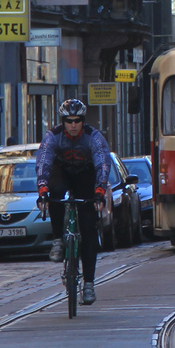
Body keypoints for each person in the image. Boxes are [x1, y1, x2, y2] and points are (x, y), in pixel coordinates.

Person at [35, 99, 111, 305]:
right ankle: (58, 239)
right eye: (69, 121)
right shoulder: (53, 136)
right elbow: (43, 161)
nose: (73, 125)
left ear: (83, 121)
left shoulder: (93, 137)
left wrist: (99, 190)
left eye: (78, 121)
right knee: (55, 192)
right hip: (62, 172)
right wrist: (42, 189)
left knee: (88, 227)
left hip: (85, 175)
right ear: (63, 122)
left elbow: (103, 163)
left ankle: (88, 284)